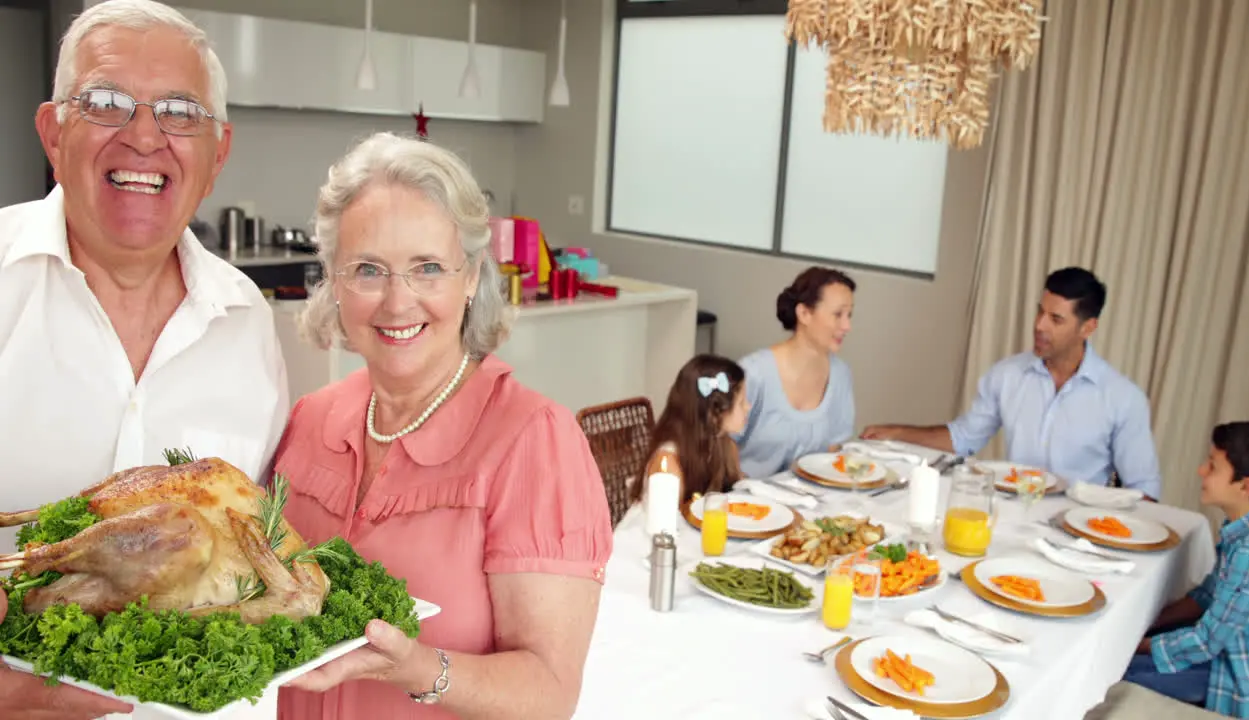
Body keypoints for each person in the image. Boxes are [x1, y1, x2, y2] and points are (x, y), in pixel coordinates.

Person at [0, 1, 288, 717]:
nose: (144, 136)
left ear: (217, 153)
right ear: (52, 132)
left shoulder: (248, 317)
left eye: (180, 112)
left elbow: (258, 537)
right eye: (105, 102)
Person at [271, 132, 613, 719]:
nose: (398, 302)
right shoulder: (311, 418)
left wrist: (417, 668)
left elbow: (550, 695)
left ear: (473, 276)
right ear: (333, 279)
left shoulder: (534, 441)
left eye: (427, 268)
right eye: (368, 270)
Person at [862, 267, 1161, 499]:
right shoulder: (1007, 375)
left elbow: (1143, 490)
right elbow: (964, 438)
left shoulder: (1122, 398)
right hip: (1010, 517)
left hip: (1077, 531)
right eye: (1040, 311)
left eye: (1055, 319)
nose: (1039, 325)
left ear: (1088, 327)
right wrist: (896, 433)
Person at [1122, 421, 1249, 718]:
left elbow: (1205, 642)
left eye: (1213, 466)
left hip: (1238, 676)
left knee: (1116, 674)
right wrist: (1146, 623)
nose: (1201, 471)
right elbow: (1206, 596)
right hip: (1219, 650)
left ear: (1246, 487)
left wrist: (1130, 645)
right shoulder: (1246, 529)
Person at [732, 266, 857, 478]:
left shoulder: (841, 375)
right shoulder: (754, 373)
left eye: (849, 315)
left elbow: (832, 454)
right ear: (804, 313)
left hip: (808, 503)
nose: (847, 326)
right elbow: (721, 446)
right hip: (744, 502)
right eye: (838, 315)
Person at [630, 354, 750, 508]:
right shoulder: (668, 463)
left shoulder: (724, 443)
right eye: (741, 402)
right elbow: (665, 523)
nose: (748, 407)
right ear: (713, 414)